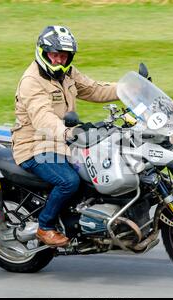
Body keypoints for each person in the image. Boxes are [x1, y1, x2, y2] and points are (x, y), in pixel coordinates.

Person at [11, 25, 118, 247]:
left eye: (64, 56)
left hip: (61, 141)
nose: (59, 60)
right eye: (55, 55)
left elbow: (94, 89)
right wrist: (68, 132)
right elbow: (43, 119)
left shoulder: (67, 73)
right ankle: (45, 226)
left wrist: (129, 89)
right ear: (43, 52)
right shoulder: (31, 81)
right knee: (69, 182)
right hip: (35, 145)